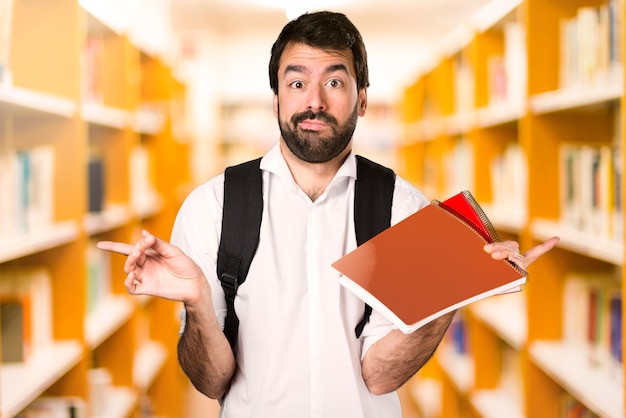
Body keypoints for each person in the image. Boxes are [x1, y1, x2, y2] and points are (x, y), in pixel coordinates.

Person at [98, 11, 559, 417]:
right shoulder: (213, 206)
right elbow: (210, 382)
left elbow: (379, 376)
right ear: (277, 98)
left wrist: (450, 295)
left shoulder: (403, 208)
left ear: (362, 99)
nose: (313, 101)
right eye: (296, 82)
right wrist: (197, 303)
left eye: (334, 82)